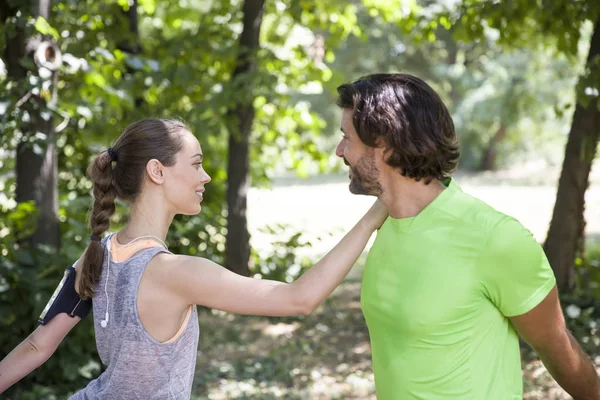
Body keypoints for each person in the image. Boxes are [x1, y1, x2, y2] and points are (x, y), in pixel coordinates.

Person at [0, 118, 388, 399]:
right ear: (157, 171)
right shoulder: (178, 273)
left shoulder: (94, 256)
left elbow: (37, 346)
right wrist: (376, 212)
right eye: (196, 164)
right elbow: (298, 298)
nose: (206, 177)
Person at [334, 73, 600, 400]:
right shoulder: (388, 223)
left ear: (385, 145)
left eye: (346, 138)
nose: (339, 150)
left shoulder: (493, 237)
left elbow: (557, 347)